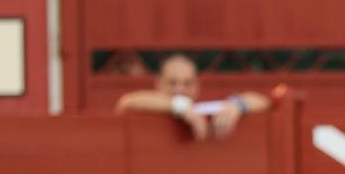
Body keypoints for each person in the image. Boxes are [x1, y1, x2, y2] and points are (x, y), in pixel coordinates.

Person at [114, 53, 273, 142]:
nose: (180, 89)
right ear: (159, 84)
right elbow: (127, 102)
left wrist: (237, 105)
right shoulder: (152, 107)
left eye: (187, 83)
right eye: (172, 82)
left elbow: (263, 102)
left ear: (196, 86)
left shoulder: (200, 110)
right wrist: (180, 106)